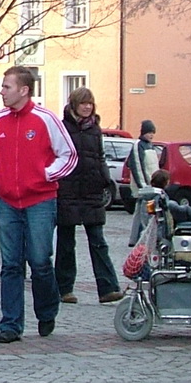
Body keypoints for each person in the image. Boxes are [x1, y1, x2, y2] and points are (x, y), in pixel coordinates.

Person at [0, 66, 76, 343]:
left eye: (7, 87)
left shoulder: (45, 119)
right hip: (7, 201)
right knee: (10, 264)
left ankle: (47, 311)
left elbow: (68, 155)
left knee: (39, 260)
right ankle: (10, 324)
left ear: (23, 90)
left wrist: (44, 175)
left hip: (40, 201)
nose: (2, 92)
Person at [54, 87, 120, 305]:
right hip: (68, 191)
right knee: (66, 243)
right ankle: (64, 289)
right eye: (83, 103)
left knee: (98, 241)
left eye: (90, 103)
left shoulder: (95, 129)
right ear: (74, 104)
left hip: (91, 192)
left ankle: (108, 288)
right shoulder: (63, 128)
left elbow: (99, 156)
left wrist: (106, 179)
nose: (87, 107)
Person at [127, 120, 161, 245]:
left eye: (153, 133)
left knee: (144, 212)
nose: (151, 135)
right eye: (149, 132)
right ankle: (139, 238)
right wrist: (143, 185)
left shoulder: (150, 146)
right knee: (143, 212)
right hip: (144, 186)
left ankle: (138, 238)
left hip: (151, 185)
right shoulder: (138, 145)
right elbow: (137, 166)